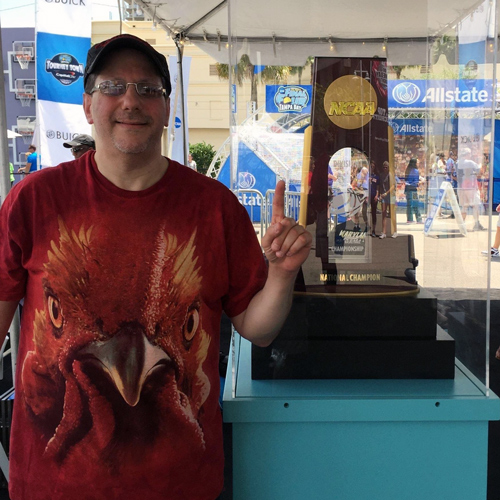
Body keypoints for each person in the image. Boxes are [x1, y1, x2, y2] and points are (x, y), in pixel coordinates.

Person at [0, 34, 312, 500]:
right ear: (88, 104)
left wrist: (283, 273)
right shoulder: (34, 200)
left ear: (166, 109)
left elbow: (258, 328)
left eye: (148, 89)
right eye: (112, 87)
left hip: (180, 485)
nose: (130, 101)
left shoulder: (214, 207)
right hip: (52, 488)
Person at [457, 146, 485, 231]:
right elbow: (479, 170)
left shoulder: (458, 162)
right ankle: (476, 223)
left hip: (461, 187)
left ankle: (462, 225)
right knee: (475, 205)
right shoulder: (470, 162)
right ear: (468, 154)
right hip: (470, 187)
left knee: (464, 207)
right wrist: (482, 162)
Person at [377, 160, 394, 239]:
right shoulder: (381, 175)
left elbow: (393, 186)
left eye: (386, 167)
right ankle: (384, 232)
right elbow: (380, 185)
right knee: (384, 213)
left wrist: (387, 193)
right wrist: (380, 194)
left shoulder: (390, 175)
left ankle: (394, 231)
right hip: (383, 196)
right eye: (384, 167)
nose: (385, 169)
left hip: (390, 195)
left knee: (392, 214)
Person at [404, 158, 422, 223]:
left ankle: (409, 219)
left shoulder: (407, 170)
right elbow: (416, 181)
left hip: (407, 189)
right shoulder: (416, 171)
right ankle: (419, 219)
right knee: (415, 204)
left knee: (409, 205)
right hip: (413, 190)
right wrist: (419, 183)